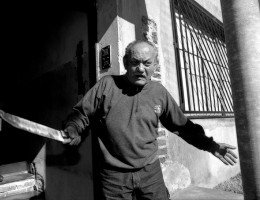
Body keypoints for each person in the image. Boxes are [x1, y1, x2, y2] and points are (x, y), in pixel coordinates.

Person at [63, 40, 238, 200]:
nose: (140, 69)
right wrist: (73, 128)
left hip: (150, 173)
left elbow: (183, 126)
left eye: (147, 63)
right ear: (125, 63)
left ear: (155, 65)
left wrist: (210, 145)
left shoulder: (159, 92)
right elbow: (81, 115)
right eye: (135, 62)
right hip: (113, 177)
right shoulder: (107, 85)